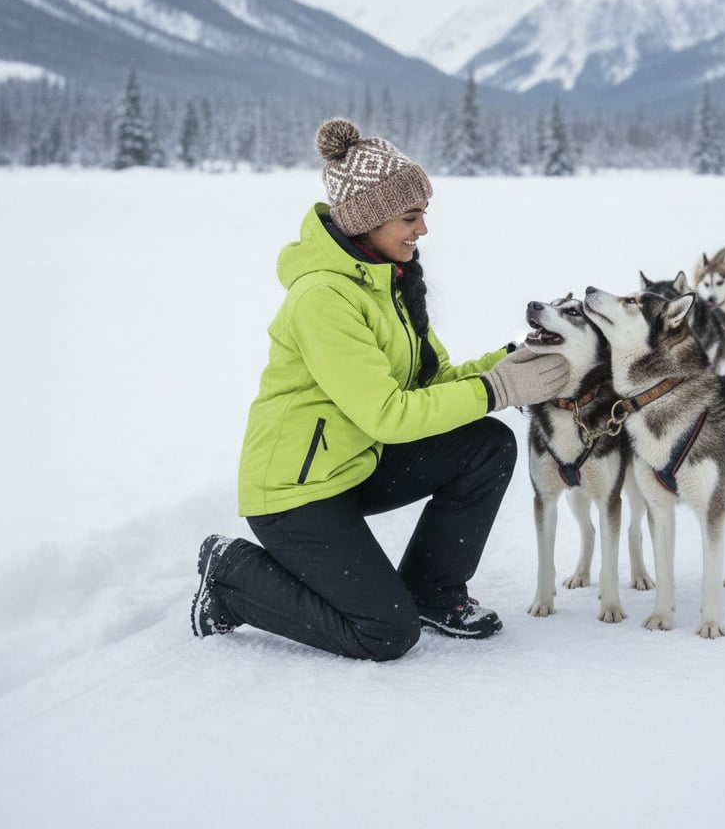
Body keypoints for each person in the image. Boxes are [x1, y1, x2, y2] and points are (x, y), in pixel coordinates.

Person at [191, 118, 569, 661]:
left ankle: (432, 593)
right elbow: (389, 416)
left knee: (485, 444)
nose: (422, 231)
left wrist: (509, 361)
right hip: (296, 493)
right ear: (366, 219)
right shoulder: (323, 298)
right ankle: (230, 577)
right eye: (410, 217)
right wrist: (499, 387)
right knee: (385, 633)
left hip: (355, 465)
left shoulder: (389, 279)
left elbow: (431, 383)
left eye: (424, 216)